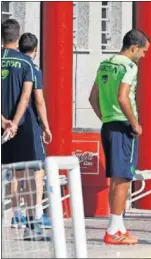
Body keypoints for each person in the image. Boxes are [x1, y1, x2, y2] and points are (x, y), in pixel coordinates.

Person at [88, 29, 150, 245]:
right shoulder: (129, 66)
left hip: (108, 125)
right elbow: (123, 97)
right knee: (123, 178)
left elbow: (92, 97)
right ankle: (113, 229)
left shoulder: (105, 64)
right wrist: (135, 124)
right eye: (143, 51)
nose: (143, 56)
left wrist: (105, 117)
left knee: (116, 177)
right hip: (124, 126)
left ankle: (119, 226)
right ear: (133, 48)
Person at [1, 19, 47, 240]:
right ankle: (32, 225)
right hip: (21, 129)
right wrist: (14, 123)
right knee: (27, 173)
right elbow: (27, 96)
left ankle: (9, 218)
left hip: (2, 126)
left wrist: (2, 121)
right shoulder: (27, 64)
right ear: (17, 38)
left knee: (8, 174)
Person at [18, 32, 53, 228]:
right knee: (37, 169)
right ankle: (36, 213)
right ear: (36, 50)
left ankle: (19, 213)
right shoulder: (32, 68)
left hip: (9, 124)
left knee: (17, 170)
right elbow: (38, 100)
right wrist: (46, 126)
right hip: (30, 124)